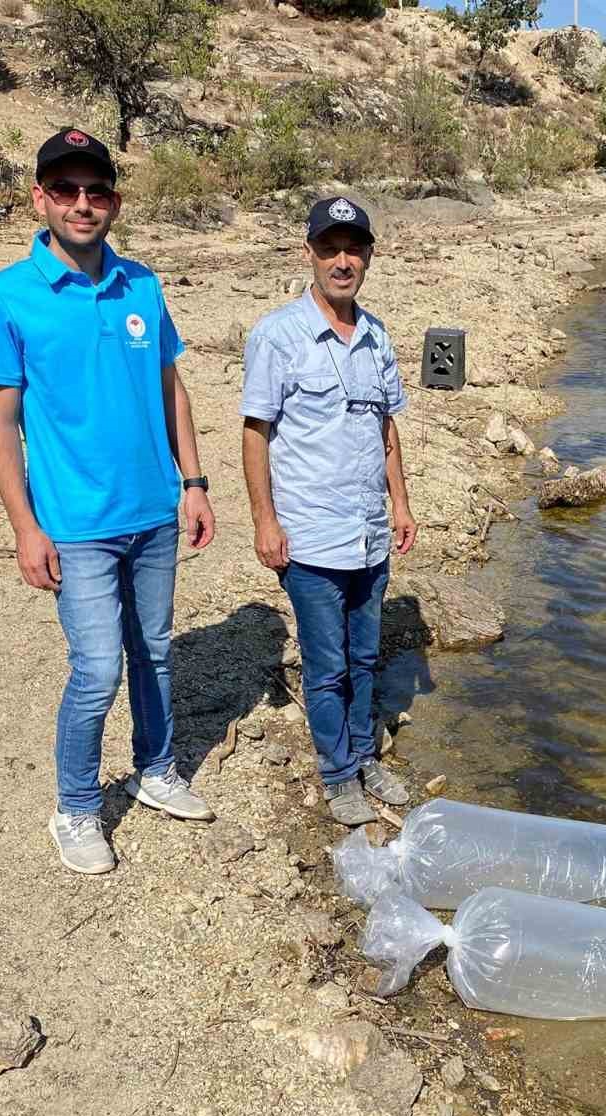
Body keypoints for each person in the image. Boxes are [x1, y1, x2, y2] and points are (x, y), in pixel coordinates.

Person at [0, 127, 217, 875]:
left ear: (114, 200)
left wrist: (195, 483)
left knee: (157, 653)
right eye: (67, 189)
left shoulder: (142, 283)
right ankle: (75, 807)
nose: (83, 203)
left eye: (97, 190)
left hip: (153, 511)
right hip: (74, 524)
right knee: (98, 666)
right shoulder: (6, 296)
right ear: (40, 197)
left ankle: (157, 768)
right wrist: (24, 527)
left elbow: (171, 389)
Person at [241, 196, 417, 827]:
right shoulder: (277, 335)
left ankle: (366, 754)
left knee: (366, 656)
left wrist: (400, 504)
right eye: (329, 248)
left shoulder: (377, 337)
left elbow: (386, 430)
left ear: (368, 255)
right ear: (309, 254)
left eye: (354, 248)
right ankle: (338, 772)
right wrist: (265, 520)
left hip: (369, 534)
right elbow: (255, 433)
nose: (342, 261)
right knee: (327, 663)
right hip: (311, 537)